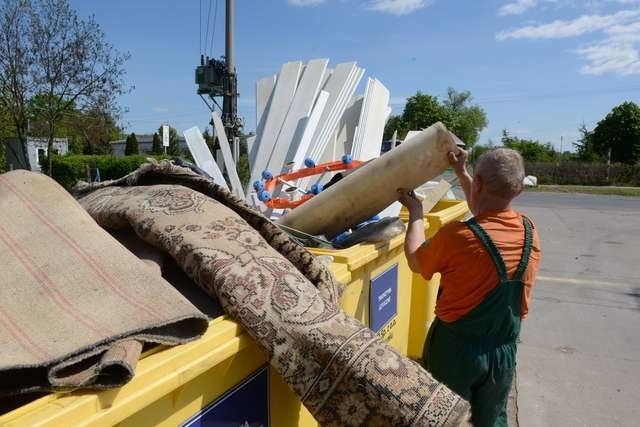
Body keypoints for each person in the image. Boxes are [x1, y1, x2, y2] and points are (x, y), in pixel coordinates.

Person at [398, 147, 541, 427]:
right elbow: (486, 212)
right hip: (503, 350)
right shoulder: (528, 229)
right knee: (492, 420)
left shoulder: (458, 237)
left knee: (442, 418)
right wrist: (463, 173)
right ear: (520, 190)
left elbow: (416, 261)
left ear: (478, 184)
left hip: (455, 350)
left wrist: (416, 213)